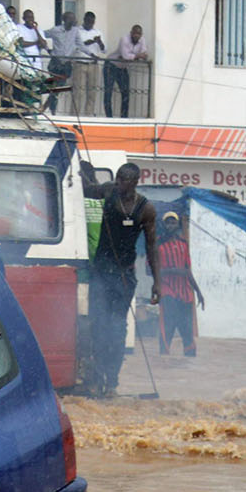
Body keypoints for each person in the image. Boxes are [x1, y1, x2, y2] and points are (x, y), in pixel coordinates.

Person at [80, 160, 161, 397]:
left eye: (124, 180)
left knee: (117, 328)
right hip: (101, 273)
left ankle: (112, 382)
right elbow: (87, 189)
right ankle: (96, 377)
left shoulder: (146, 209)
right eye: (117, 179)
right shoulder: (108, 192)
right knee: (97, 325)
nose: (119, 184)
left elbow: (152, 247)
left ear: (135, 182)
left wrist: (157, 282)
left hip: (125, 276)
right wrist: (83, 172)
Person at [155, 211, 205, 356]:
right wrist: (172, 270)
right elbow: (149, 270)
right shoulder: (157, 244)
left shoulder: (183, 244)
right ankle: (163, 364)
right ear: (163, 225)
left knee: (187, 331)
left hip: (185, 294)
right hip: (167, 292)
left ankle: (190, 365)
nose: (170, 225)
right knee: (167, 329)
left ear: (177, 225)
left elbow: (188, 270)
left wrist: (199, 292)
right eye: (168, 222)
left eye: (173, 222)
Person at [104, 24, 149, 118]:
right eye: (135, 33)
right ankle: (109, 117)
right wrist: (136, 56)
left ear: (141, 35)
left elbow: (144, 54)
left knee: (126, 93)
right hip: (111, 66)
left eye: (139, 34)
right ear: (131, 33)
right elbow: (125, 56)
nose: (136, 35)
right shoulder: (124, 39)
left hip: (122, 68)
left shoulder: (142, 40)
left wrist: (134, 57)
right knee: (108, 92)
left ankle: (124, 117)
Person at [44, 11, 81, 113]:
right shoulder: (56, 30)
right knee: (54, 88)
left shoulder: (75, 31)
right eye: (70, 18)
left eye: (73, 18)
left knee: (58, 89)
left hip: (66, 65)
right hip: (55, 63)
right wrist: (47, 49)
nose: (73, 20)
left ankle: (48, 108)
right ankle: (52, 110)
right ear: (64, 20)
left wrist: (91, 55)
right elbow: (43, 36)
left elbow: (80, 44)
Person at [77, 12, 108, 116]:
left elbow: (104, 51)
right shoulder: (77, 31)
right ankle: (76, 115)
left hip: (93, 65)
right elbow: (75, 46)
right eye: (88, 21)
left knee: (92, 92)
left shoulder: (98, 32)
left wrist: (99, 42)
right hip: (80, 63)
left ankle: (88, 115)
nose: (90, 23)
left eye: (92, 22)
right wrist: (89, 42)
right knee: (79, 92)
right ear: (84, 20)